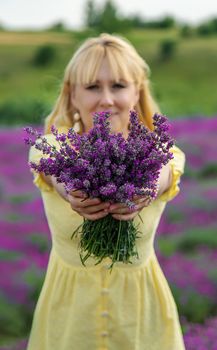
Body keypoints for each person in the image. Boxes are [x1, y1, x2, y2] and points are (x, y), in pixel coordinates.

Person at [27, 33, 186, 350]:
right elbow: (54, 173)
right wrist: (72, 188)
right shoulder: (50, 149)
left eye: (118, 86)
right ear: (72, 95)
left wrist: (146, 188)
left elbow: (164, 173)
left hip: (141, 320)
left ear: (136, 90)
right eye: (92, 87)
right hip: (69, 319)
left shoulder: (161, 153)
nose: (106, 99)